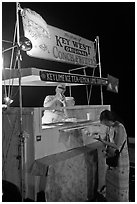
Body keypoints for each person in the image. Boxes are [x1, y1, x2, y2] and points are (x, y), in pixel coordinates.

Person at [95, 109, 129, 202]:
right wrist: (106, 149)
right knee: (111, 180)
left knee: (119, 182)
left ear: (109, 120)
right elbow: (111, 142)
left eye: (105, 123)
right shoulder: (111, 127)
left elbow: (117, 145)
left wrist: (102, 141)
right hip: (113, 156)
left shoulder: (120, 127)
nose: (106, 125)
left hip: (120, 158)